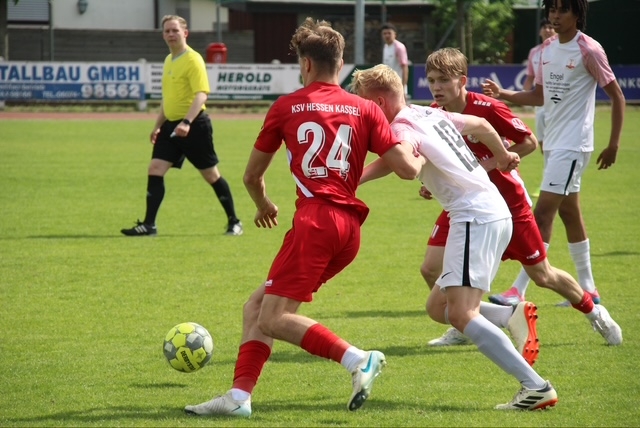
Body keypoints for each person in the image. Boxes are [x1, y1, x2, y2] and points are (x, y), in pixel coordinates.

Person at [184, 18, 424, 418]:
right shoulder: (366, 108)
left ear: (306, 64)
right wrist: (426, 142)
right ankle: (239, 397)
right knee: (256, 307)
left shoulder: (287, 106)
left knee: (273, 317)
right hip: (349, 229)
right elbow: (408, 169)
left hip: (315, 222)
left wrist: (263, 205)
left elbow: (251, 176)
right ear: (341, 63)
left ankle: (357, 359)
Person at [352, 63, 558, 411]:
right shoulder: (427, 113)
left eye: (365, 105)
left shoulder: (402, 127)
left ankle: (535, 387)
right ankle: (511, 316)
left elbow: (408, 167)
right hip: (488, 212)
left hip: (473, 216)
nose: (363, 113)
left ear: (380, 102)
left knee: (462, 314)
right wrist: (501, 155)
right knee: (438, 307)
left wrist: (398, 157)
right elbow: (480, 126)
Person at [420, 48, 621, 350]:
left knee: (542, 275)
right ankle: (467, 323)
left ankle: (595, 313)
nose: (437, 87)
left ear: (462, 80)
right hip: (464, 206)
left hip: (509, 205)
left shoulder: (487, 108)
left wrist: (491, 163)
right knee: (431, 268)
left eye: (444, 80)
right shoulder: (435, 113)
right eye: (432, 80)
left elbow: (528, 142)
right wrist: (431, 181)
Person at [483, 0, 626, 308]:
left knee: (542, 213)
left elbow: (617, 96)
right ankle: (589, 289)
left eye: (563, 10)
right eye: (552, 10)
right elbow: (540, 96)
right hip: (554, 143)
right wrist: (503, 93)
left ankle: (519, 289)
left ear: (578, 13)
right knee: (569, 213)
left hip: (573, 145)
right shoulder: (546, 49)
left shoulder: (589, 50)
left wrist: (613, 144)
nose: (555, 16)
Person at [120, 15, 242, 237]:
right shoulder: (169, 60)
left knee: (211, 175)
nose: (171, 34)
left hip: (194, 126)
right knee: (155, 169)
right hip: (170, 127)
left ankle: (234, 221)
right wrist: (157, 126)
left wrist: (186, 122)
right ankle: (149, 225)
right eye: (167, 31)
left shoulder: (193, 59)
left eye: (175, 30)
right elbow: (168, 100)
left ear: (185, 33)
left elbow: (201, 94)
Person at [520, 19, 555, 199]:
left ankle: (548, 184)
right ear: (540, 31)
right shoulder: (534, 52)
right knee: (542, 143)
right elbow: (530, 77)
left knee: (553, 144)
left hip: (557, 104)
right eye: (545, 27)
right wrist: (523, 96)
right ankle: (549, 181)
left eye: (551, 26)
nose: (548, 30)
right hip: (540, 104)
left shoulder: (560, 49)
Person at [381, 23, 409, 97]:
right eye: (384, 33)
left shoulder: (399, 47)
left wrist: (403, 87)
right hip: (387, 86)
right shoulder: (385, 47)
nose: (387, 35)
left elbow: (405, 68)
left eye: (389, 33)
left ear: (395, 34)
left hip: (398, 86)